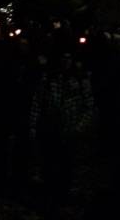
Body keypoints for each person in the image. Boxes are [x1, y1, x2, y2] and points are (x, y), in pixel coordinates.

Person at [29, 52, 94, 219]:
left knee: (68, 166)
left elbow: (89, 107)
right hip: (50, 130)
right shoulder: (49, 79)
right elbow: (38, 102)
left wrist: (79, 127)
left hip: (71, 131)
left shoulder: (80, 80)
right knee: (50, 166)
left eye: (68, 58)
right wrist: (34, 125)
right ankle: (52, 197)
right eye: (62, 58)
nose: (65, 62)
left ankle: (63, 199)